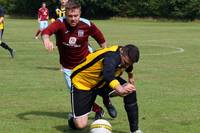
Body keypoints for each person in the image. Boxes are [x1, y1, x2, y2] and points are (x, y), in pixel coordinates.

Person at [41, 0, 117, 120]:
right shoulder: (59, 23)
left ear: (80, 14)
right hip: (68, 67)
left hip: (87, 63)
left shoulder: (86, 24)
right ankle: (98, 110)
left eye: (76, 16)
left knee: (98, 86)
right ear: (65, 14)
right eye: (70, 16)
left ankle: (107, 102)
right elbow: (46, 32)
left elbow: (101, 39)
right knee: (78, 95)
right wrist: (46, 40)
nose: (73, 19)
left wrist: (108, 56)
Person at [68, 44, 142, 133]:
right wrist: (120, 89)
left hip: (102, 81)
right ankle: (73, 118)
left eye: (129, 64)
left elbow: (128, 65)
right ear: (121, 52)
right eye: (125, 63)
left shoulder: (124, 54)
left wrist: (130, 76)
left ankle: (135, 130)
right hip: (83, 83)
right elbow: (108, 76)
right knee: (80, 125)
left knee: (130, 90)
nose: (126, 66)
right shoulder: (111, 56)